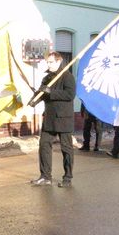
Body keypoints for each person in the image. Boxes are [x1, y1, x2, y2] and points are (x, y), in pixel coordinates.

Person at [30, 52, 75, 188]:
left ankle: (67, 178)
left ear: (58, 61)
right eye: (47, 62)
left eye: (51, 62)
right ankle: (45, 176)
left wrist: (51, 92)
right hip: (49, 118)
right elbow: (42, 94)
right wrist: (34, 100)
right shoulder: (47, 78)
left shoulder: (67, 76)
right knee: (44, 145)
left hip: (63, 118)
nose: (48, 64)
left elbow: (70, 95)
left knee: (66, 148)